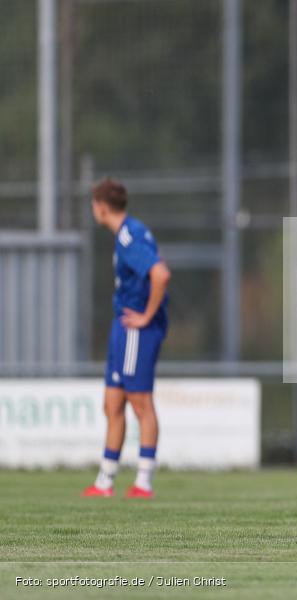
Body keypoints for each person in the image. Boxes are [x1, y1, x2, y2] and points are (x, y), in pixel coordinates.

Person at [82, 177, 170, 499]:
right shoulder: (126, 233)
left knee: (140, 402)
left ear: (102, 207)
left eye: (93, 204)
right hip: (123, 324)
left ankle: (143, 482)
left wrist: (146, 316)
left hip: (137, 327)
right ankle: (105, 482)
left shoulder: (130, 236)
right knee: (112, 403)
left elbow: (161, 273)